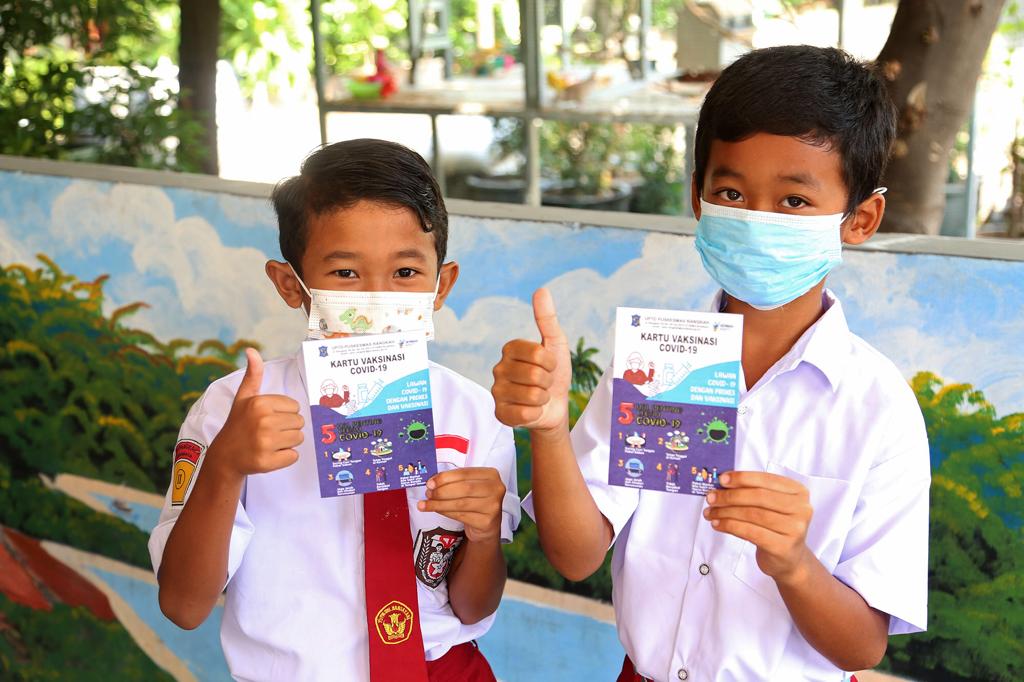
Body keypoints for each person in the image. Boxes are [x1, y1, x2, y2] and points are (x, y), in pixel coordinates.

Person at [491, 46, 929, 681]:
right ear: (698, 198)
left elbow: (862, 649)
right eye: (731, 192)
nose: (755, 219)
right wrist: (550, 429)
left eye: (794, 201)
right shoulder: (654, 367)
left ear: (859, 219)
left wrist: (795, 565)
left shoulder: (878, 409)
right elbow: (577, 556)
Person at [150, 139, 520, 681]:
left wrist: (484, 536)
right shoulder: (232, 411)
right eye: (346, 274)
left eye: (405, 273)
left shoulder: (475, 414)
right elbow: (183, 606)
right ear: (290, 285)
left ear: (441, 286)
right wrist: (224, 466)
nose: (377, 298)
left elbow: (473, 606)